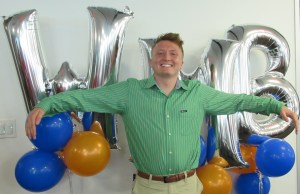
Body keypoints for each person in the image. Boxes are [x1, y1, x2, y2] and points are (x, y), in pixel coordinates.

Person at [25, 33, 298, 194]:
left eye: (173, 53)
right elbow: (83, 97)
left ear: (180, 60)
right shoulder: (129, 92)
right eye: (160, 53)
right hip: (147, 187)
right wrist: (45, 106)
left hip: (189, 186)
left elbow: (238, 101)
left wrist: (276, 107)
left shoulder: (198, 93)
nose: (166, 57)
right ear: (152, 59)